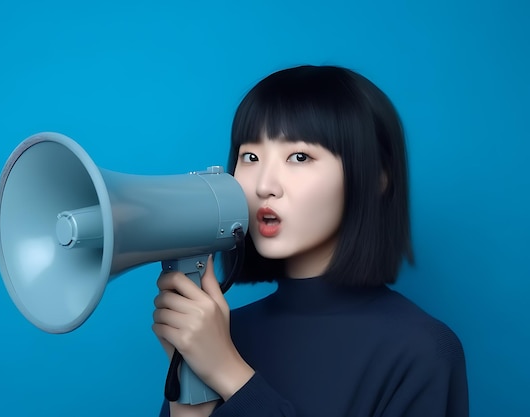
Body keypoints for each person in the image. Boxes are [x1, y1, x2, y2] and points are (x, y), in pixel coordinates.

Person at [152, 65, 469, 417]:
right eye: (251, 157)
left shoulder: (423, 350)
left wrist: (228, 372)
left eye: (299, 157)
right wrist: (190, 397)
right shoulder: (221, 333)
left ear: (377, 178)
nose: (263, 185)